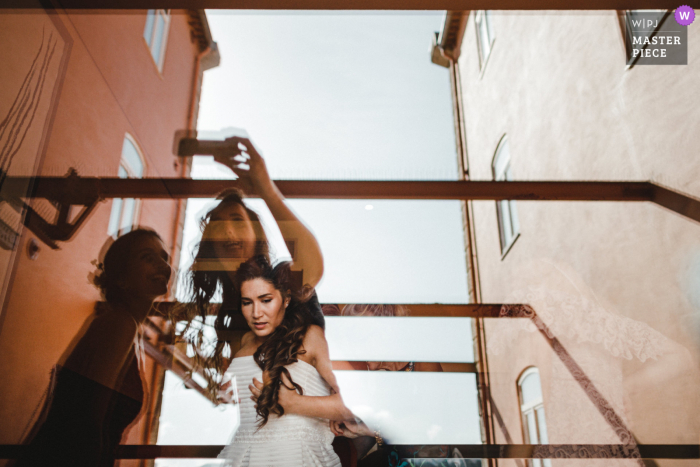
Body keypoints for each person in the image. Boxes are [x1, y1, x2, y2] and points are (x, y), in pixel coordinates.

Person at [181, 136, 325, 397]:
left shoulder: (281, 281)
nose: (226, 230)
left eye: (237, 220)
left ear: (256, 234)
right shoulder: (231, 317)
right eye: (217, 225)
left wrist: (264, 187)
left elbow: (311, 268)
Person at [16, 229, 172, 467]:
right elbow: (89, 421)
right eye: (147, 258)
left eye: (164, 257)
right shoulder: (121, 324)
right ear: (122, 278)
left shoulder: (122, 324)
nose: (162, 264)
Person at [217, 255, 355, 467]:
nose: (256, 313)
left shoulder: (310, 336)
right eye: (247, 303)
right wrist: (223, 397)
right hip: (244, 457)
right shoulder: (245, 341)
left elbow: (358, 402)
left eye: (266, 300)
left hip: (295, 459)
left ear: (286, 300)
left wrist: (293, 403)